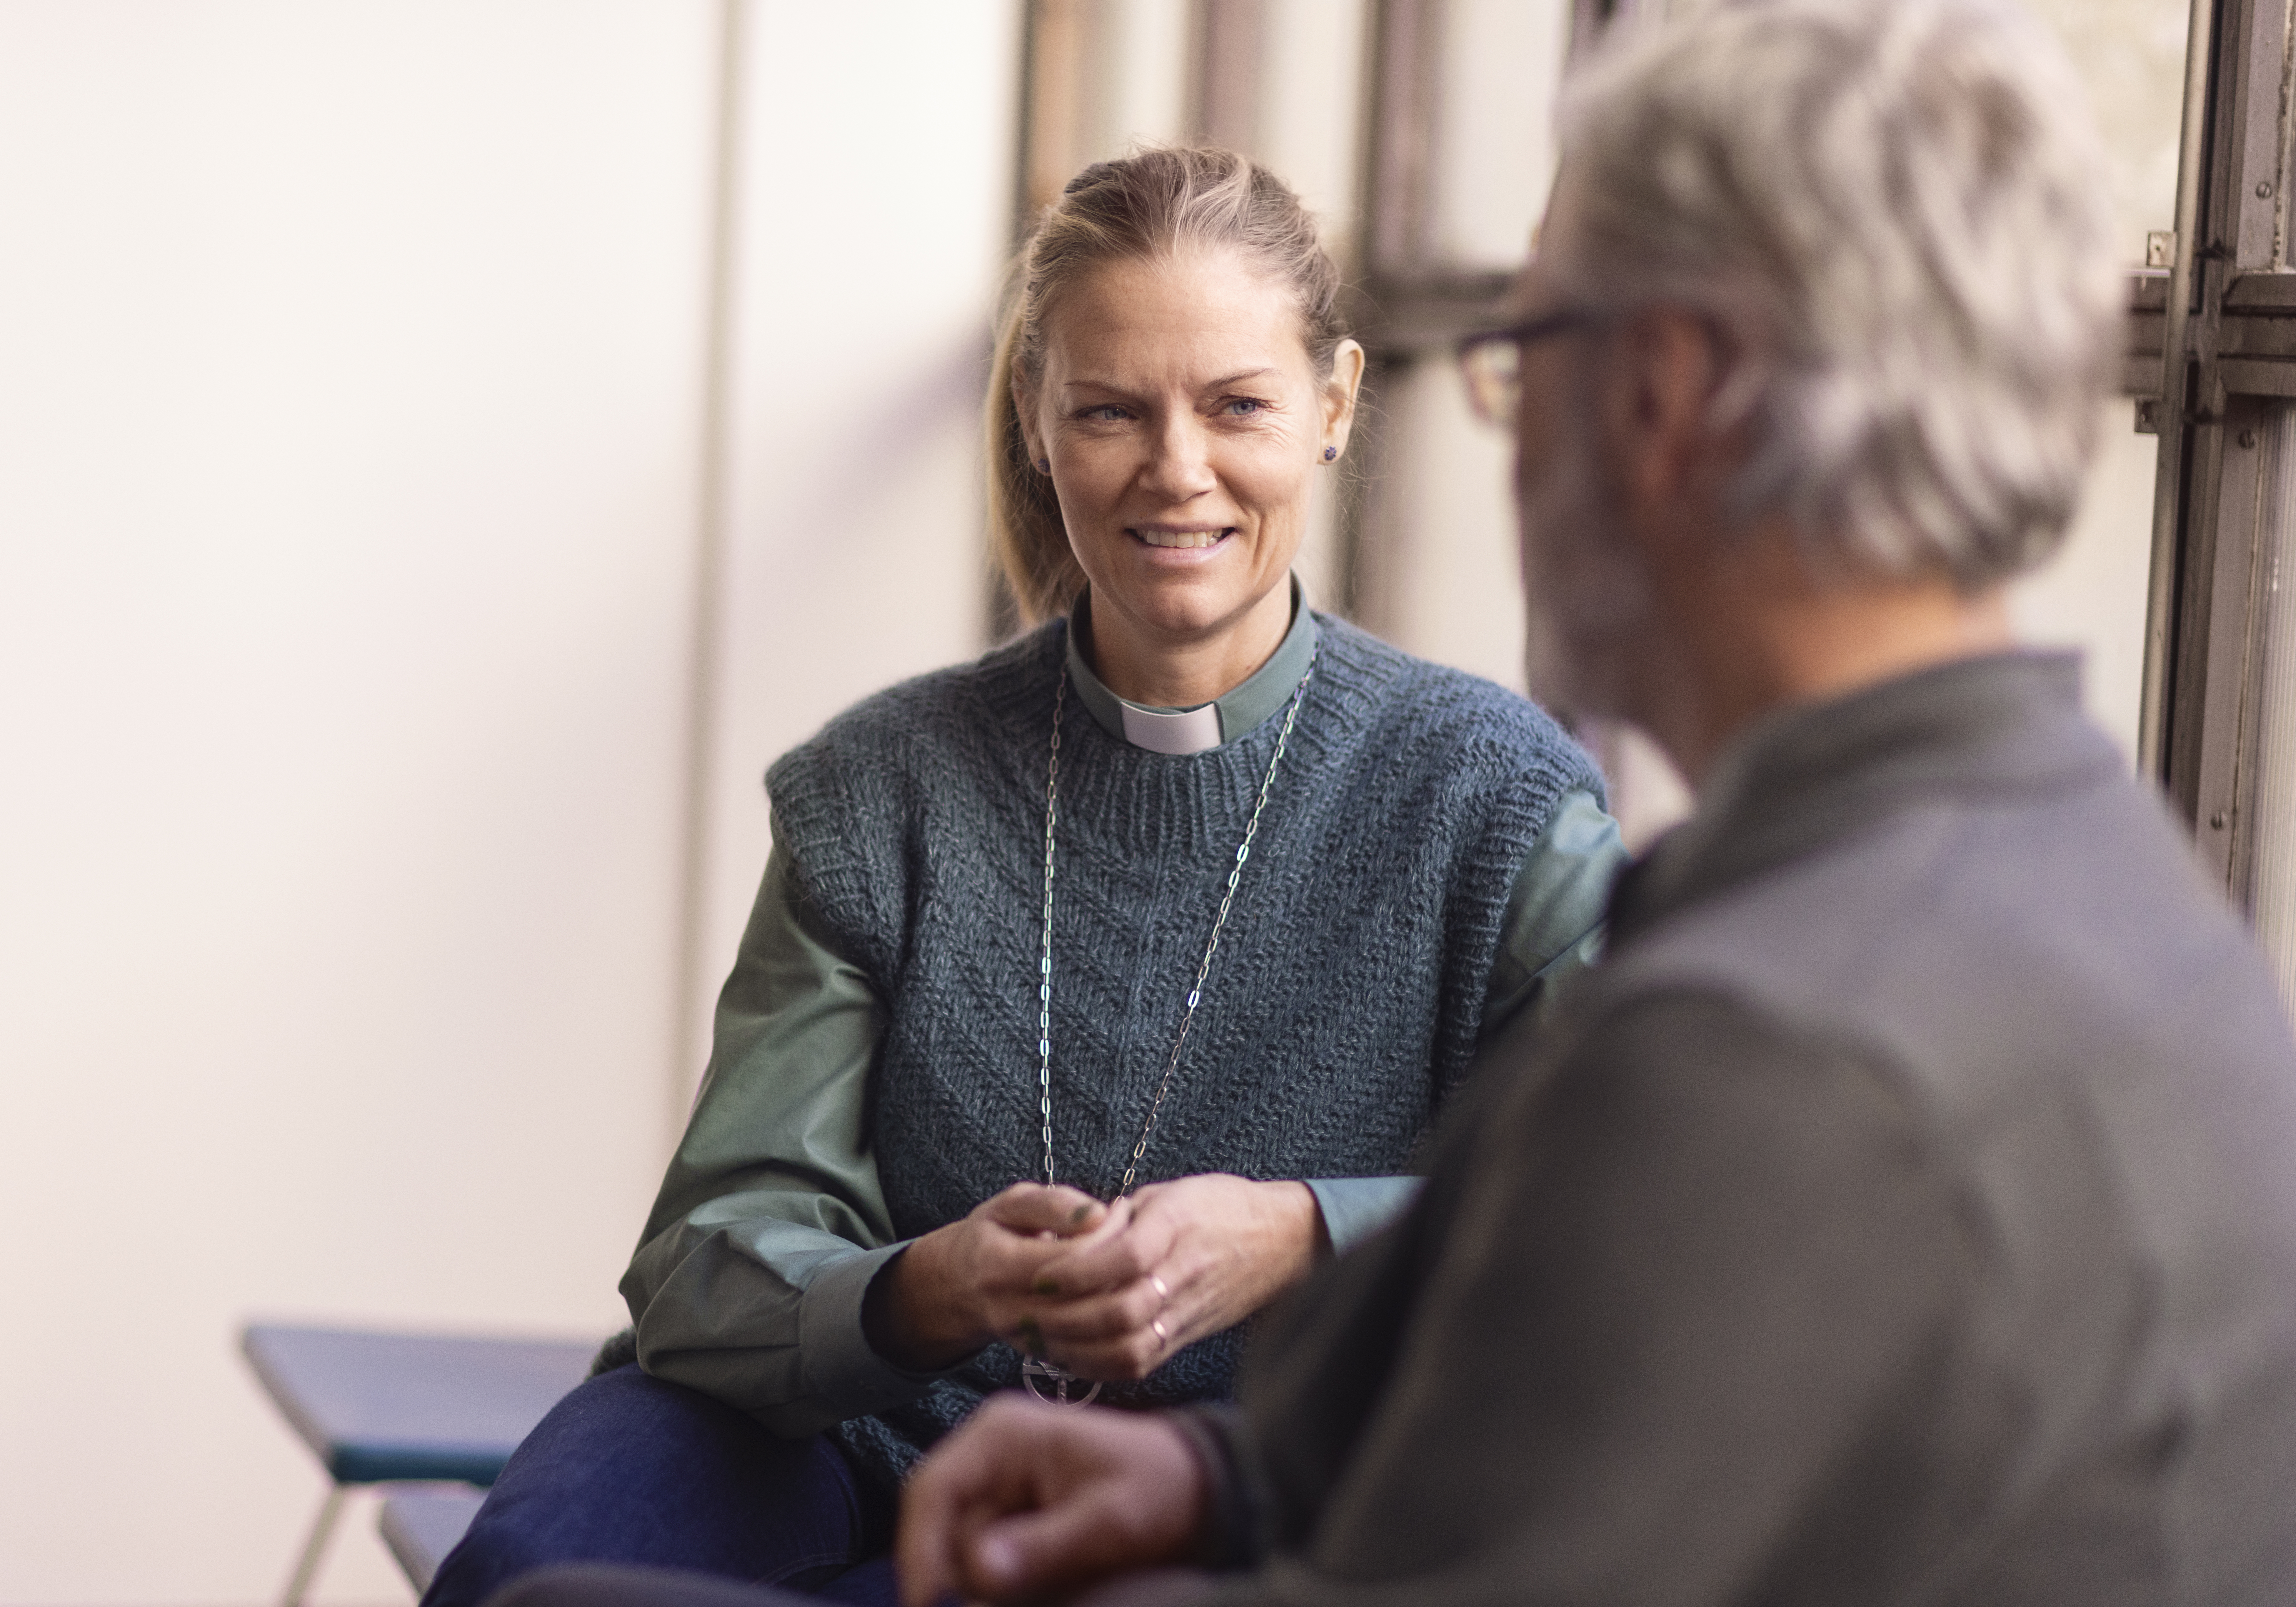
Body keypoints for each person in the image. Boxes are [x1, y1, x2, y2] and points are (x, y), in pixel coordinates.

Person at [479, 2, 2296, 1604]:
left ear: (1660, 398)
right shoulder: (2088, 890)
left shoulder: (1762, 1015)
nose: (1503, 429)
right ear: (1039, 416)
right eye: (1110, 410)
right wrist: (1202, 1469)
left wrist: (1274, 1286)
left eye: (1525, 361)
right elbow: (1616, 1441)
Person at [423, 147, 1624, 1607]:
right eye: (1110, 409)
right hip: (831, 1437)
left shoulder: (1498, 801)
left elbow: (1613, 1225)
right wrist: (933, 1285)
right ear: (1037, 425)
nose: (1175, 468)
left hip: (1238, 1492)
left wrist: (1301, 1232)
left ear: (1334, 403)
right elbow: (709, 1265)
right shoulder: (880, 788)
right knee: (530, 1572)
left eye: (1235, 404)